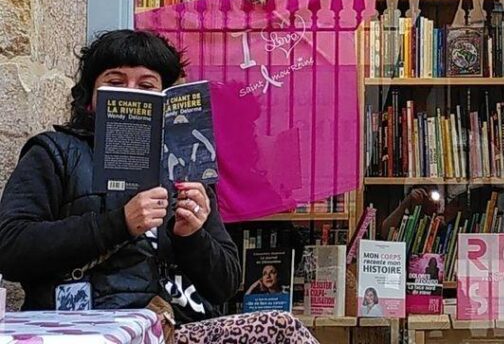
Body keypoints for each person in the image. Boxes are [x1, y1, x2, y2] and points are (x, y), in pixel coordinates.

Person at [0, 29, 316, 343]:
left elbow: (226, 283)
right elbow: (9, 248)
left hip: (173, 327)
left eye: (147, 86)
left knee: (280, 328)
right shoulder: (55, 153)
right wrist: (117, 224)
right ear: (90, 98)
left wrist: (192, 236)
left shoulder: (186, 166)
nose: (131, 92)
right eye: (115, 82)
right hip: (89, 328)